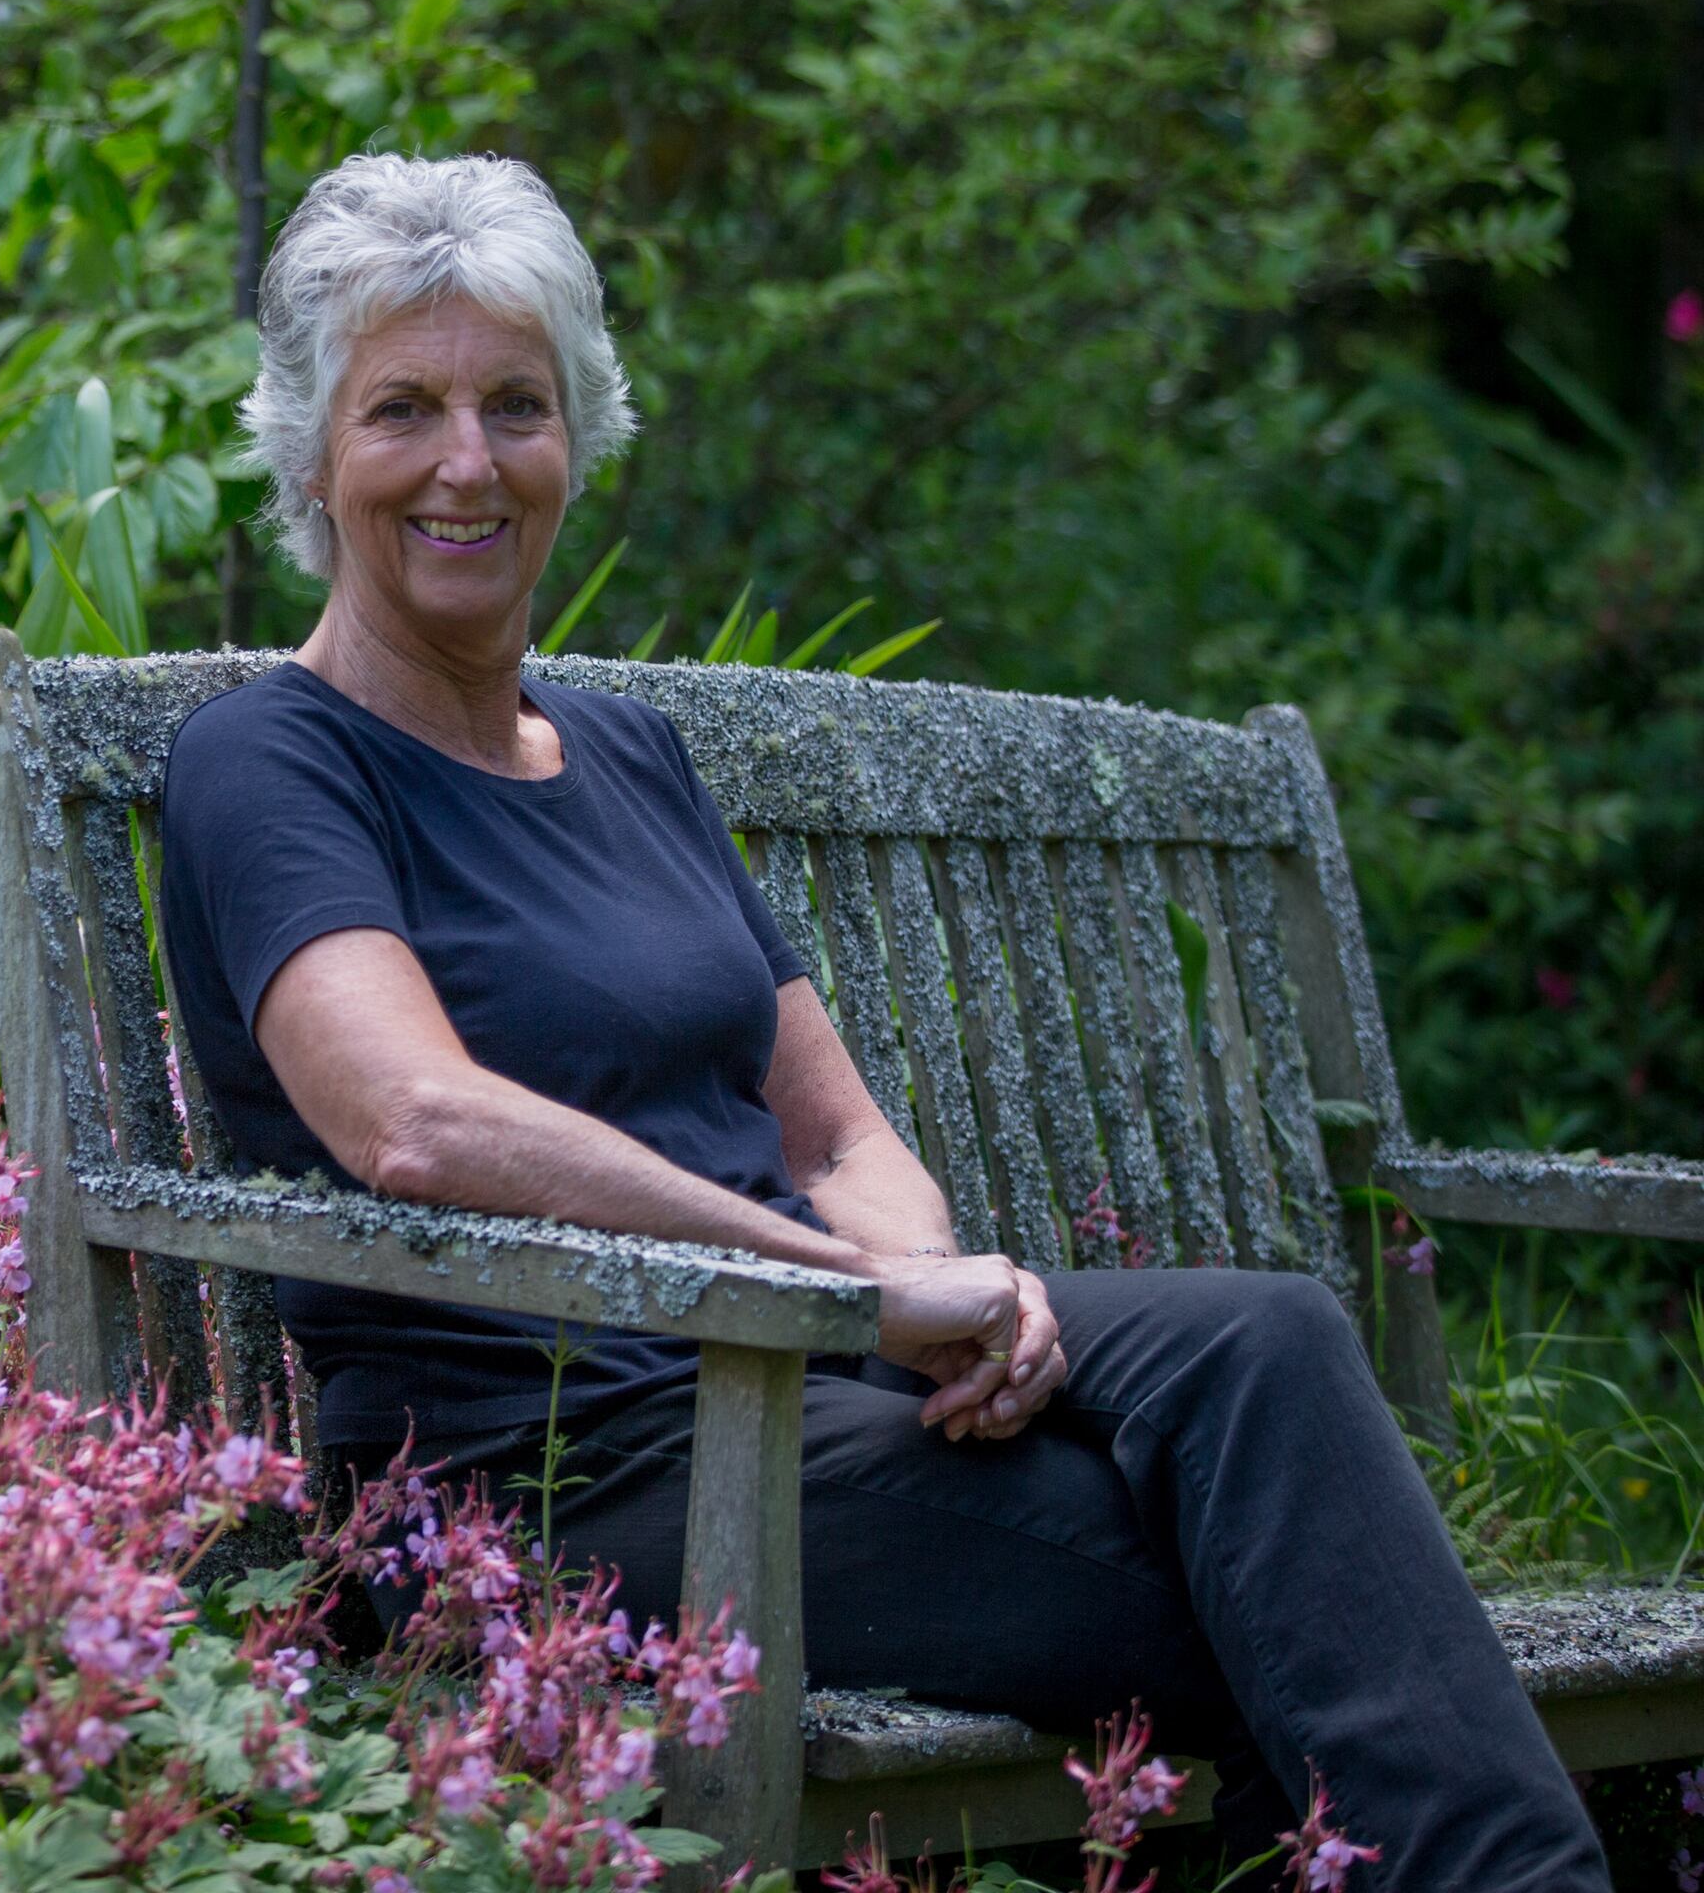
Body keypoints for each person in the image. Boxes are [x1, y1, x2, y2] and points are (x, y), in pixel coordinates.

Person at [152, 152, 1604, 1890]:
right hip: (558, 1487)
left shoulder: (627, 756)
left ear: (577, 437)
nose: (467, 461)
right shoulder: (270, 761)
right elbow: (413, 1120)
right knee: (1295, 1581)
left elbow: (834, 1128)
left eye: (515, 405)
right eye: (404, 409)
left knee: (1270, 1341)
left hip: (796, 1390)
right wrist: (853, 1292)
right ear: (313, 454)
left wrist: (948, 1304)